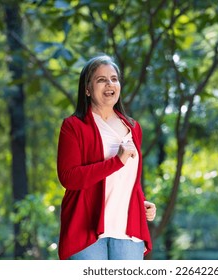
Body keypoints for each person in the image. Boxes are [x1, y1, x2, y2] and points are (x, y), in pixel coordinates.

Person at [56, 54, 156, 260]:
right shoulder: (73, 126)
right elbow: (69, 178)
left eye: (114, 78)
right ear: (87, 89)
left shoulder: (133, 127)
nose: (109, 84)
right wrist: (116, 162)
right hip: (86, 228)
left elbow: (130, 180)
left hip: (128, 230)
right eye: (101, 80)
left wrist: (142, 202)